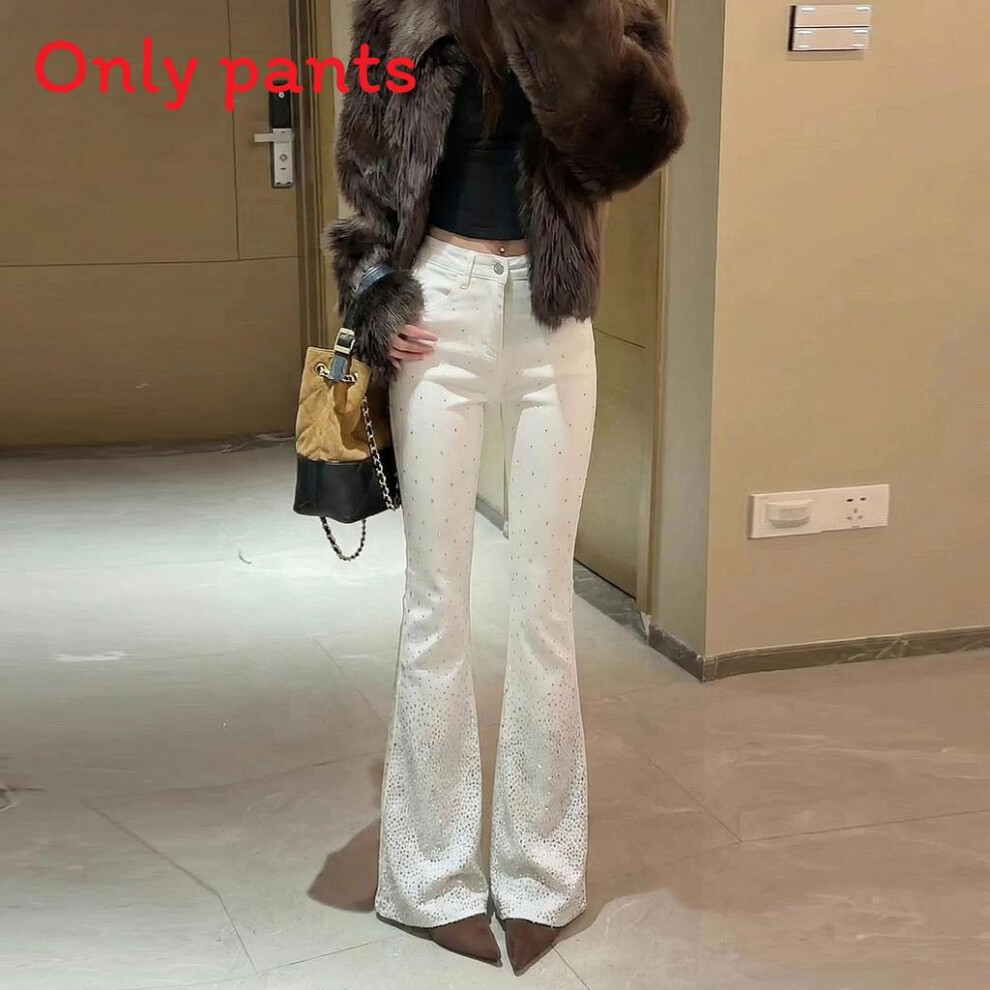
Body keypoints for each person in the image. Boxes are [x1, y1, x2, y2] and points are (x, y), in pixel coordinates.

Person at [323, 0, 687, 973]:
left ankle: (541, 875)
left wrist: (561, 26)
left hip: (551, 316)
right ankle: (430, 876)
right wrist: (373, 294)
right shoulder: (398, 15)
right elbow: (366, 181)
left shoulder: (607, 10)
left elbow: (636, 145)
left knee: (544, 606)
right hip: (440, 302)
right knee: (435, 604)